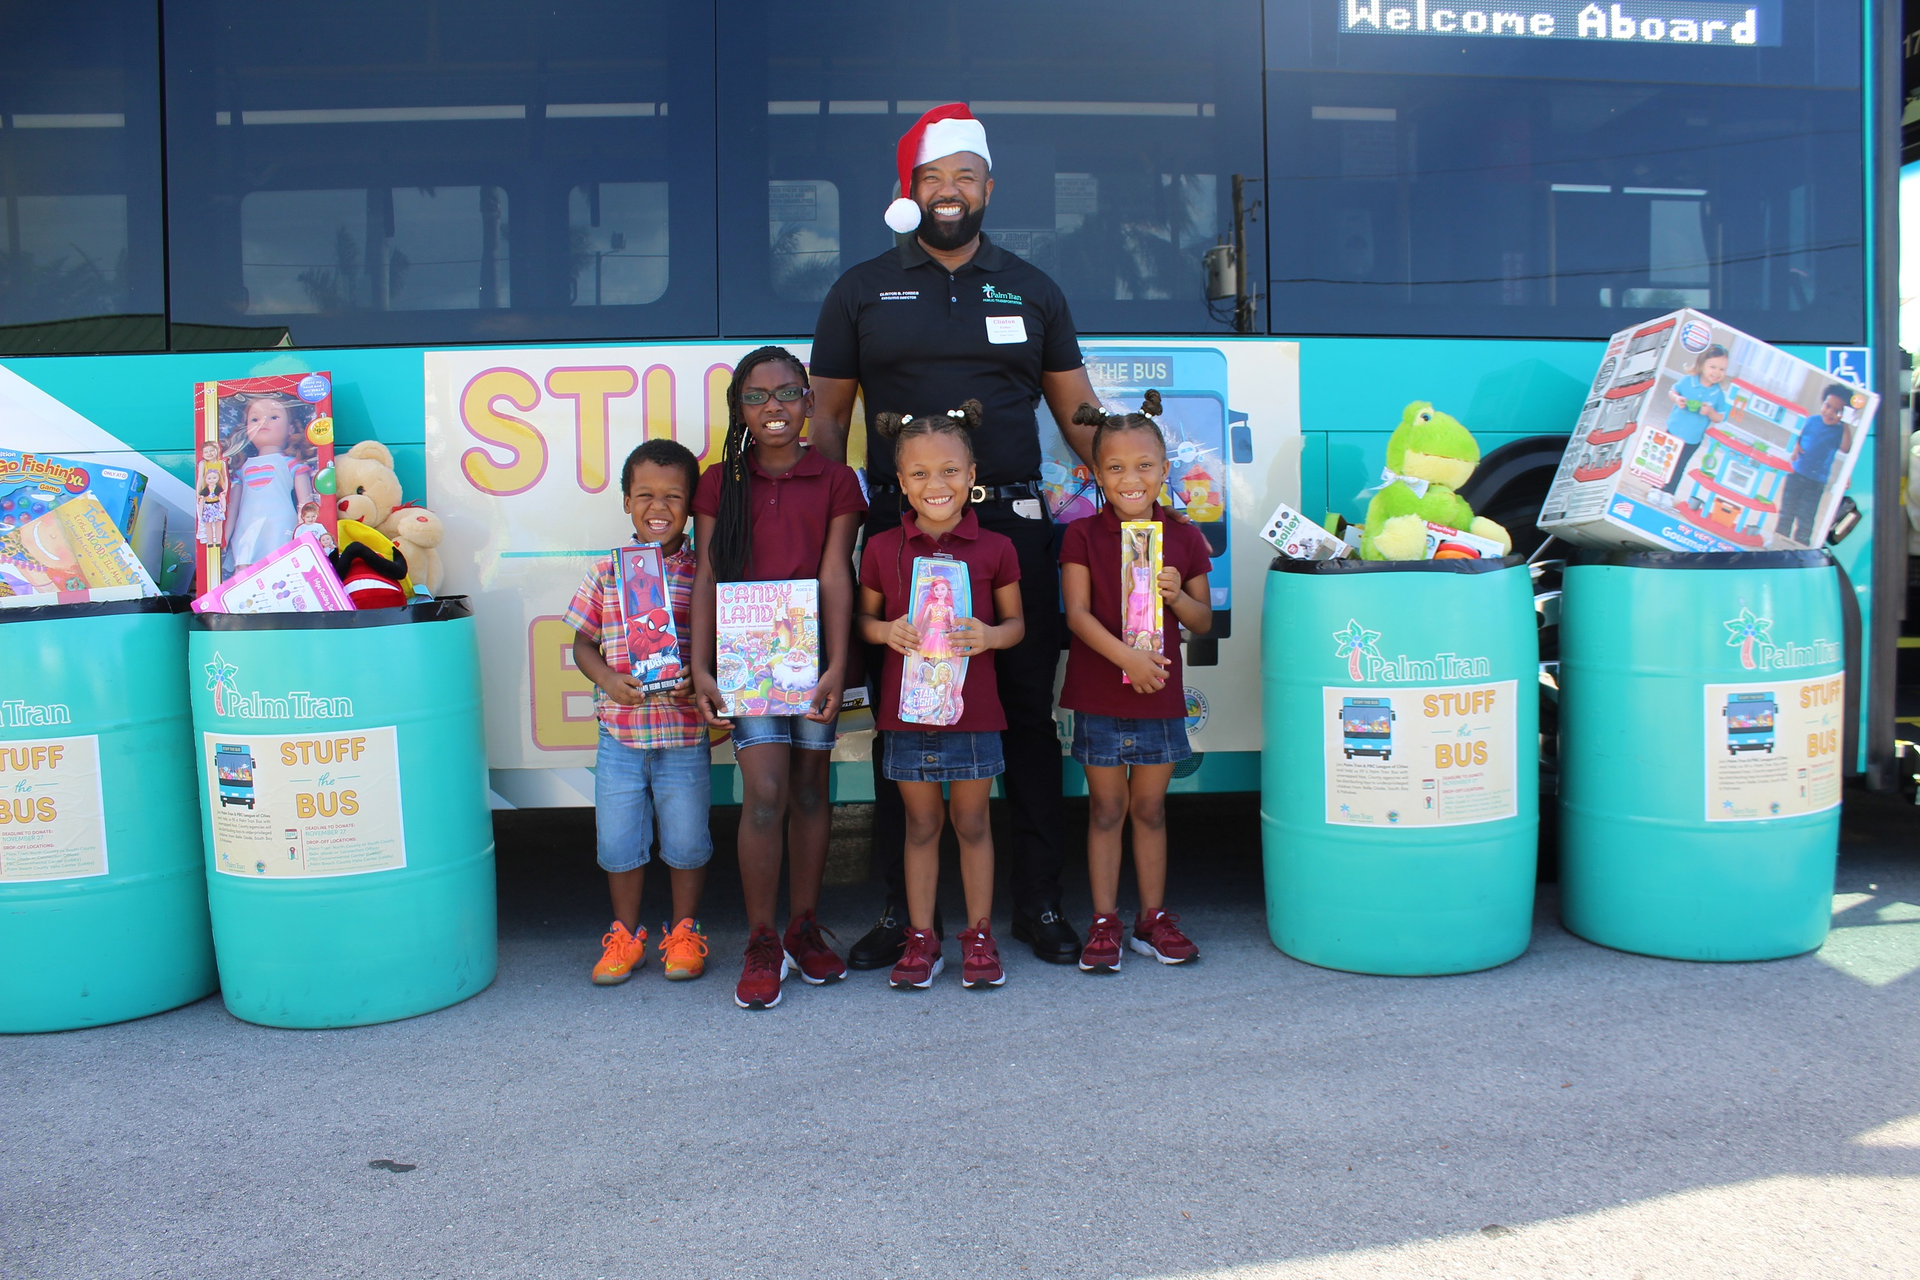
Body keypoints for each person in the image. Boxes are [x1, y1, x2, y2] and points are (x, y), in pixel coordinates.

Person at [809, 103, 1105, 967]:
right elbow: (828, 423)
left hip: (1011, 531)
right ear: (913, 189)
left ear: (987, 188)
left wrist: (1134, 463)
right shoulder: (860, 289)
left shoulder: (1032, 287)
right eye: (934, 178)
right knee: (909, 724)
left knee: (1021, 718)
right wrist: (832, 527)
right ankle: (906, 917)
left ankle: (1040, 905)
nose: (950, 192)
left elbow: (1075, 412)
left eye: (965, 176)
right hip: (901, 538)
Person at [691, 346, 866, 1010]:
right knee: (763, 792)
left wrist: (837, 664)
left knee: (812, 790)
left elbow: (834, 575)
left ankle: (802, 927)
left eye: (788, 394)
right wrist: (701, 665)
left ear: (809, 401)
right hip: (744, 658)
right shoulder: (718, 481)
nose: (774, 409)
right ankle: (762, 938)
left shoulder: (836, 481)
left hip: (809, 654)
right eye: (757, 397)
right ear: (739, 409)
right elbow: (708, 573)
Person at [856, 401, 1025, 990]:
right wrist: (886, 631)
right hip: (906, 713)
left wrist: (989, 636)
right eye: (921, 474)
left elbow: (1017, 627)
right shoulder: (881, 548)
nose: (937, 485)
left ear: (972, 475)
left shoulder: (996, 548)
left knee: (974, 822)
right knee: (921, 826)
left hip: (974, 711)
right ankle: (921, 937)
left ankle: (979, 936)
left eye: (950, 471)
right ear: (900, 482)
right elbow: (863, 622)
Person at [1058, 391, 1212, 973]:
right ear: (1096, 473)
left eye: (1144, 465)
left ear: (1164, 470)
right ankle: (1105, 921)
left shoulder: (1185, 537)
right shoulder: (1081, 537)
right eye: (1115, 467)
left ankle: (1152, 917)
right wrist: (1129, 657)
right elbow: (1076, 615)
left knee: (1149, 810)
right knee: (1106, 809)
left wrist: (1177, 596)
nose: (1131, 478)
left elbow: (1203, 620)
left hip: (1160, 699)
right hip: (1100, 696)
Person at [565, 439, 713, 987]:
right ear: (626, 500)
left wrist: (700, 681)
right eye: (646, 494)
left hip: (683, 733)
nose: (660, 506)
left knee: (687, 839)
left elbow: (718, 646)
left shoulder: (703, 571)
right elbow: (582, 643)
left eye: (674, 496)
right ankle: (625, 937)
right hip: (620, 736)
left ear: (693, 505)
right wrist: (606, 678)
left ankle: (683, 932)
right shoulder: (608, 570)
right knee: (618, 842)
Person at [224, 392, 317, 569]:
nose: (263, 422)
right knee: (243, 569)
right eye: (254, 419)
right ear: (245, 429)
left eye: (273, 417)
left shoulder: (291, 464)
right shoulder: (242, 469)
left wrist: (306, 530)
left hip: (281, 524)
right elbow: (232, 507)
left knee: (279, 567)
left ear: (291, 429)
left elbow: (305, 504)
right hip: (246, 525)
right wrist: (224, 537)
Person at [1778, 385, 1855, 544]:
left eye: (1837, 411)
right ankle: (1778, 543)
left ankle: (1801, 548)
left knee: (1806, 518)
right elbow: (1799, 435)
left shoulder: (1840, 431)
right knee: (1786, 512)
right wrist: (1796, 446)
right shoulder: (1811, 420)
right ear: (1822, 403)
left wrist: (1846, 424)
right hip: (1795, 474)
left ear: (1844, 415)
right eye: (1827, 406)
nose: (1829, 412)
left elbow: (1846, 448)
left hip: (1815, 482)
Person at [1659, 345, 1731, 500]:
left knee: (1679, 466)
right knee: (1665, 462)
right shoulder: (1688, 380)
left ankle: (1669, 493)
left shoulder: (1717, 394)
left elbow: (1720, 417)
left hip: (1693, 439)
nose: (1717, 373)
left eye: (1722, 369)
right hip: (1673, 430)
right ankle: (1656, 488)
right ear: (1701, 364)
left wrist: (1710, 412)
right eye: (1713, 367)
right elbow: (1672, 391)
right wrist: (1677, 399)